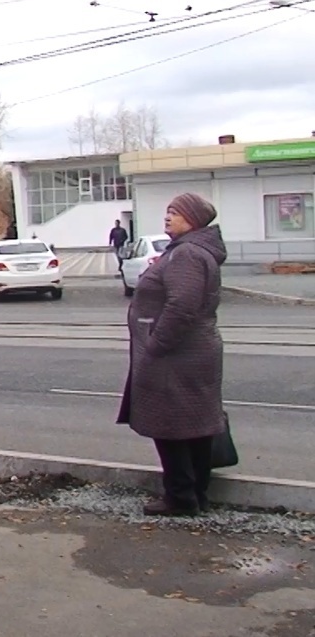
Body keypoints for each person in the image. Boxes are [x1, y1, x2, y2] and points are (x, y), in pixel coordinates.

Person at [118, 193, 227, 517]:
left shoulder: (187, 255)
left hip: (176, 356)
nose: (167, 217)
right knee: (193, 425)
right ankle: (195, 495)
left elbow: (182, 307)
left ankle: (180, 497)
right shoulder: (189, 251)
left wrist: (155, 344)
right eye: (167, 211)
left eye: (175, 213)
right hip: (189, 352)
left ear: (192, 220)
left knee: (171, 426)